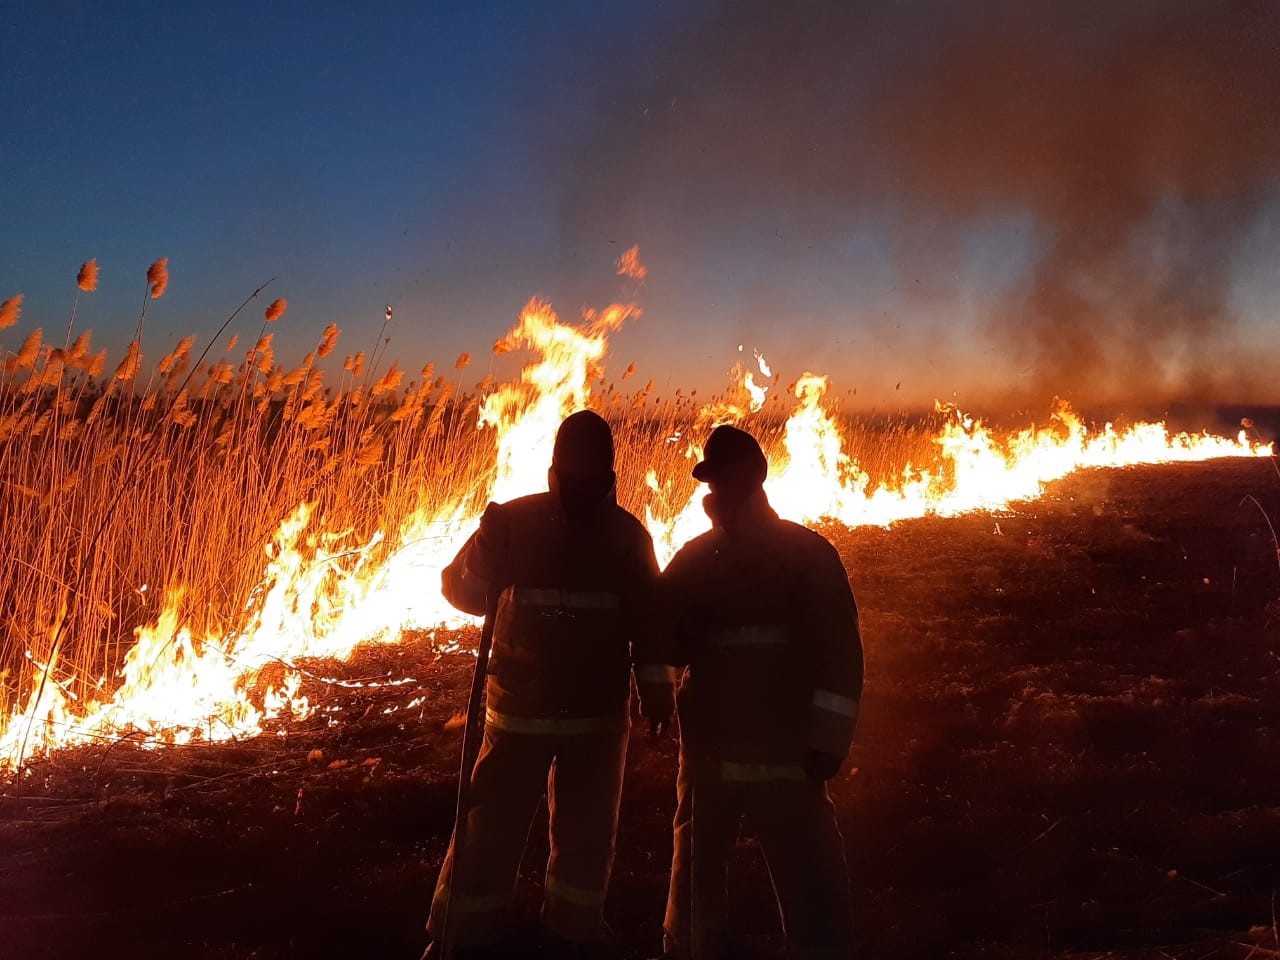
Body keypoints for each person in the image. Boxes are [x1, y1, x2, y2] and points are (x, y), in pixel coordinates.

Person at [423, 410, 675, 960]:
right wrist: (485, 558)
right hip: (529, 712)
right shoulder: (513, 525)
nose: (583, 481)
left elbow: (650, 624)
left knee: (578, 836)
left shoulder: (628, 538)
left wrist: (658, 693)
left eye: (592, 471)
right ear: (560, 468)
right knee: (492, 827)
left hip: (583, 716)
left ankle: (572, 932)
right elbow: (461, 592)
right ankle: (462, 936)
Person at [656, 424, 863, 960]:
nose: (721, 488)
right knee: (696, 885)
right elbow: (656, 635)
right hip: (713, 761)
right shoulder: (697, 559)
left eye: (729, 477)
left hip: (787, 760)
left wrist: (829, 741)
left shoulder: (806, 556)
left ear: (754, 480)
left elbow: (839, 654)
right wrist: (683, 634)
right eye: (715, 478)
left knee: (811, 884)